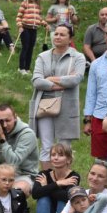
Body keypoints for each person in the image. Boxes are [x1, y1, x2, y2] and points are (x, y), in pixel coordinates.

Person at [29, 23, 85, 170]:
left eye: (62, 34)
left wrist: (50, 79)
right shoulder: (43, 56)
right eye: (56, 33)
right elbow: (36, 81)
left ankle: (64, 181)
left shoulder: (78, 57)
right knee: (46, 145)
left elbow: (76, 79)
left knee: (64, 146)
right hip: (44, 105)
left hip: (67, 105)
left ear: (70, 38)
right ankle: (47, 180)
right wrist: (62, 82)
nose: (57, 37)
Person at [85, 18, 107, 160]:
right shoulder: (96, 64)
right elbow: (91, 93)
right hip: (99, 117)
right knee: (100, 162)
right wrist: (87, 120)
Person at [31, 143, 80, 213]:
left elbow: (67, 197)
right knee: (43, 198)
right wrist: (58, 183)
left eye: (60, 155)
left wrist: (46, 187)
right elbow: (35, 194)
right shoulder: (44, 174)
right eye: (53, 155)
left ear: (68, 159)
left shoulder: (73, 176)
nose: (56, 158)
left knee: (62, 201)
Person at [16, 0, 45, 75]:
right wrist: (20, 26)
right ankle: (21, 68)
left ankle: (27, 68)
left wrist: (45, 24)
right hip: (25, 28)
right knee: (25, 47)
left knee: (31, 48)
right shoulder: (24, 4)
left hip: (34, 29)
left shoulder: (38, 6)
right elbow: (18, 17)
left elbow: (39, 18)